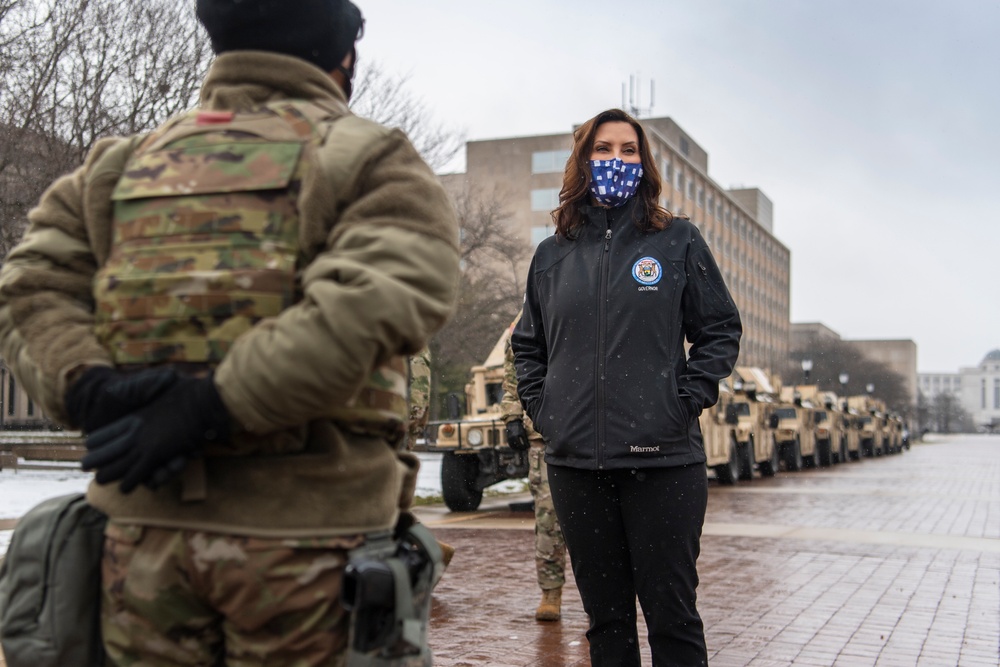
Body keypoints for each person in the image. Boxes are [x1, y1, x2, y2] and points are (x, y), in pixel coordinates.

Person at [0, 0, 461, 664]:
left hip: (141, 543)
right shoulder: (369, 160)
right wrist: (213, 404)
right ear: (345, 58)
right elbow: (377, 298)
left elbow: (31, 282)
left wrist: (90, 386)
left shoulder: (117, 167)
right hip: (310, 549)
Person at [511, 108, 742, 666]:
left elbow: (719, 330)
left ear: (645, 163)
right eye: (604, 148)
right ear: (584, 159)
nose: (617, 160)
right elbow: (528, 345)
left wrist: (683, 401)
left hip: (661, 461)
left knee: (672, 617)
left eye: (629, 150)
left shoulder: (678, 242)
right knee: (607, 622)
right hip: (576, 467)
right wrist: (547, 412)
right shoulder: (552, 255)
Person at [499, 311, 567, 622]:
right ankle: (550, 592)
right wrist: (513, 417)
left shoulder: (591, 299)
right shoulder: (527, 319)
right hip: (543, 434)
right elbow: (513, 375)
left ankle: (603, 595)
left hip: (593, 432)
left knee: (600, 520)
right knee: (548, 517)